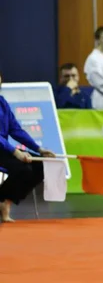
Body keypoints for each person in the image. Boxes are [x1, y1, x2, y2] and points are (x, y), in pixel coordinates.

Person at [0, 72, 55, 222]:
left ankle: (6, 200)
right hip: (3, 149)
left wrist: (38, 149)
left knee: (40, 164)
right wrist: (15, 151)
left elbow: (15, 129)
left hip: (3, 149)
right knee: (22, 168)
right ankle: (3, 202)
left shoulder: (2, 102)